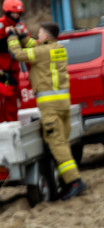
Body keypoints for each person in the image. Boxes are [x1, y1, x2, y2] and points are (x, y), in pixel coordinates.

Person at [7, 21, 87, 200]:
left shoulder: (42, 52)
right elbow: (34, 46)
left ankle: (75, 181)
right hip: (63, 104)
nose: (37, 36)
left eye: (39, 34)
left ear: (45, 36)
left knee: (56, 144)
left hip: (50, 107)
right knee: (62, 144)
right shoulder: (58, 48)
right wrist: (23, 36)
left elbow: (18, 55)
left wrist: (12, 38)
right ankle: (67, 183)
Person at [0, 0, 33, 122]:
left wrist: (30, 71)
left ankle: (12, 125)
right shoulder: (1, 25)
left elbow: (29, 51)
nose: (16, 15)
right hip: (1, 66)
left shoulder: (21, 27)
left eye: (18, 13)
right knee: (4, 95)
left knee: (12, 99)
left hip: (13, 68)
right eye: (14, 13)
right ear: (7, 12)